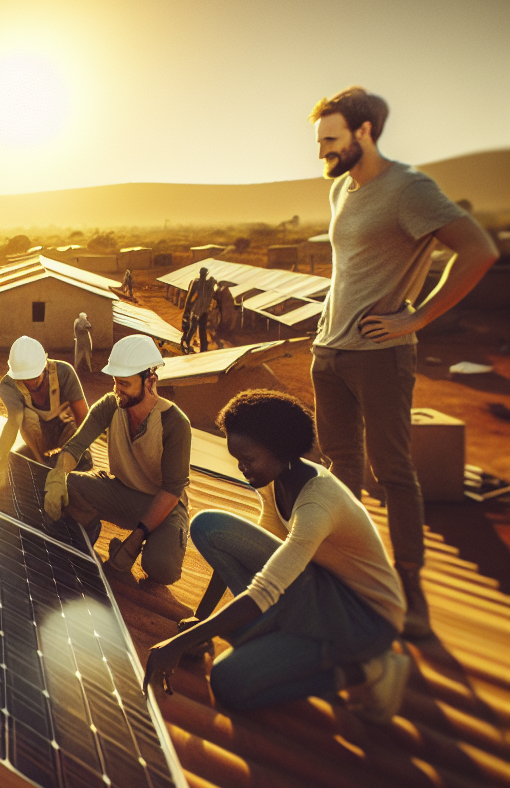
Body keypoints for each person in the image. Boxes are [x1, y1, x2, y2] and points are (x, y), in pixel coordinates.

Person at [309, 87, 498, 639]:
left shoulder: (408, 188)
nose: (322, 149)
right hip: (331, 351)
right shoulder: (341, 189)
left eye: (331, 138)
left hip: (380, 355)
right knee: (341, 470)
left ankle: (410, 589)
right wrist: (324, 332)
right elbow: (351, 270)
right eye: (319, 139)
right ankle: (348, 575)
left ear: (365, 132)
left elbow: (478, 250)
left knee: (392, 472)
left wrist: (416, 320)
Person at [144, 390, 410, 725]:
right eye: (237, 460)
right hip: (315, 592)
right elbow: (251, 553)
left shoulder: (317, 504)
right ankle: (288, 636)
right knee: (211, 528)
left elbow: (266, 589)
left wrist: (179, 644)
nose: (242, 469)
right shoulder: (275, 480)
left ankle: (366, 670)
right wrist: (202, 620)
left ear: (281, 450)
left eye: (249, 460)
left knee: (229, 685)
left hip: (363, 618)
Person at [44, 335, 191, 589]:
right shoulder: (111, 405)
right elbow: (77, 446)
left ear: (150, 381)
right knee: (70, 485)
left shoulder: (175, 423)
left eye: (125, 383)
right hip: (122, 494)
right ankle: (84, 539)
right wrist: (58, 476)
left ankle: (143, 544)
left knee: (161, 567)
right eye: (115, 381)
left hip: (164, 506)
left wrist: (134, 542)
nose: (117, 389)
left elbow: (171, 491)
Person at [0, 336, 90, 502]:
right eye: (24, 379)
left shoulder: (64, 373)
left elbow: (84, 417)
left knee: (78, 476)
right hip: (38, 443)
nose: (30, 383)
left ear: (45, 365)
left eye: (34, 377)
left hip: (69, 437)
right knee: (17, 467)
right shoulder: (8, 385)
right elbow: (13, 422)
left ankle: (67, 466)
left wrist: (75, 453)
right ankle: (43, 467)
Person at [182, 266, 216, 353]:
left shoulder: (208, 285)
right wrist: (187, 309)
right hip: (196, 310)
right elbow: (189, 297)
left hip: (203, 311)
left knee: (202, 331)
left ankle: (203, 350)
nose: (203, 276)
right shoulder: (196, 283)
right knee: (192, 329)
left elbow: (211, 296)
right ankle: (187, 345)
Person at [213, 280, 235, 345]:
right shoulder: (223, 292)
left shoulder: (223, 292)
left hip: (224, 308)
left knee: (225, 320)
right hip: (224, 308)